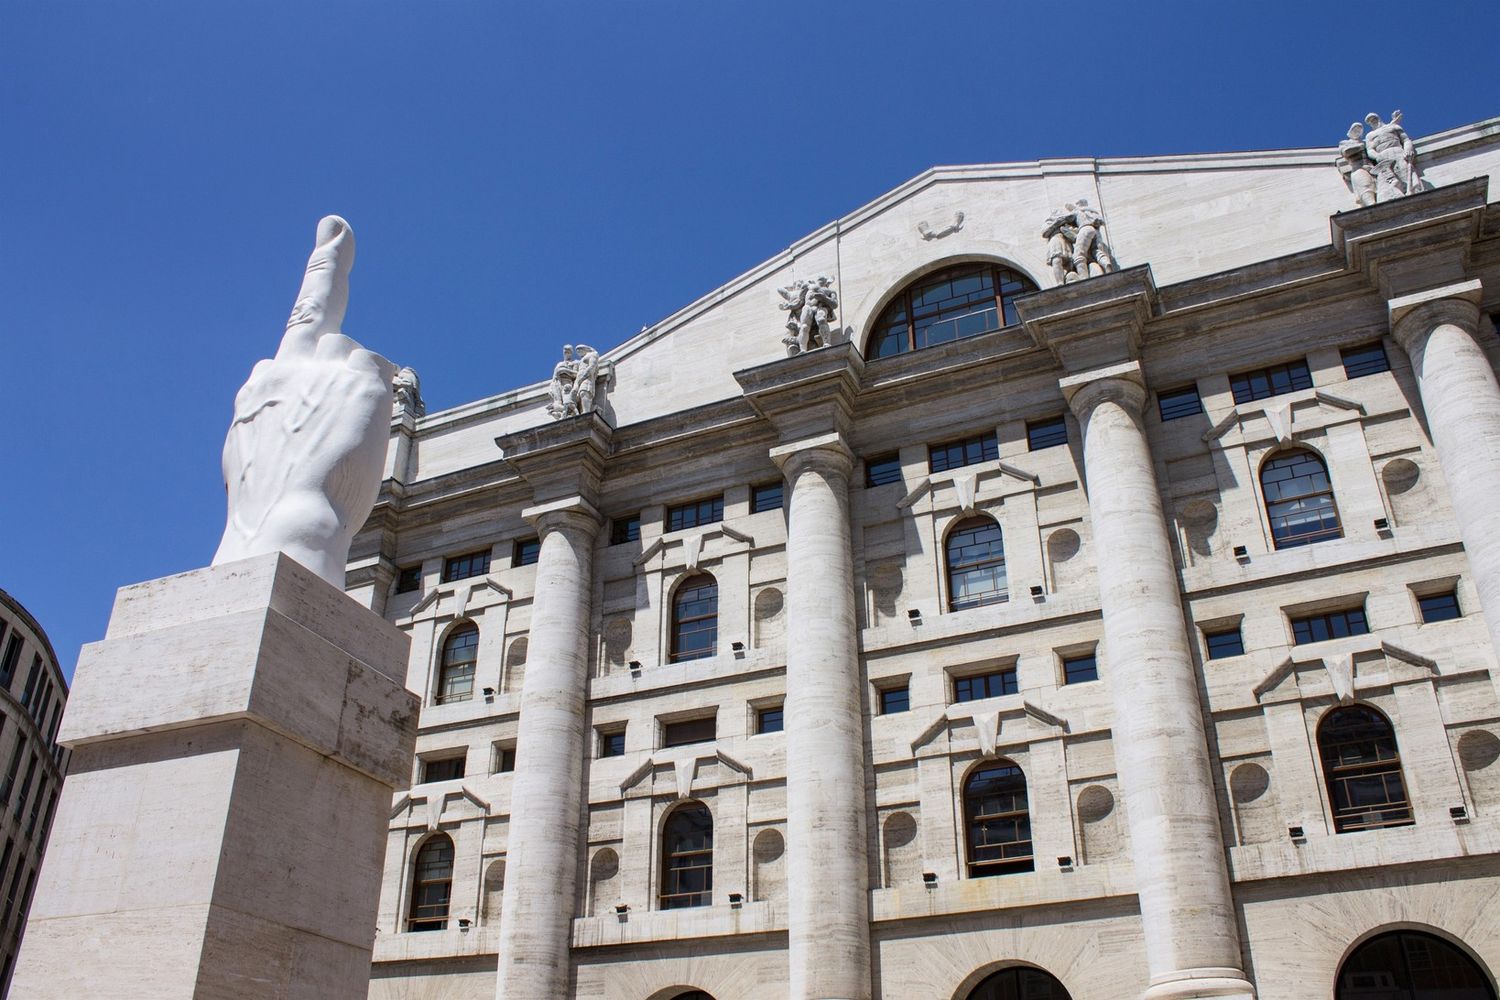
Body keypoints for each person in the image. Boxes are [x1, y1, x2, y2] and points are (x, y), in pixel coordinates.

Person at [1337, 122, 1378, 207]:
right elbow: (1346, 152)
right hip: (1358, 168)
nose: (1357, 132)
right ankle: (1372, 205)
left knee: (1376, 186)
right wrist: (1360, 146)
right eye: (1355, 130)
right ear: (1350, 131)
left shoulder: (1366, 142)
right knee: (1365, 185)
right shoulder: (1345, 143)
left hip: (1372, 168)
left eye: (1359, 130)